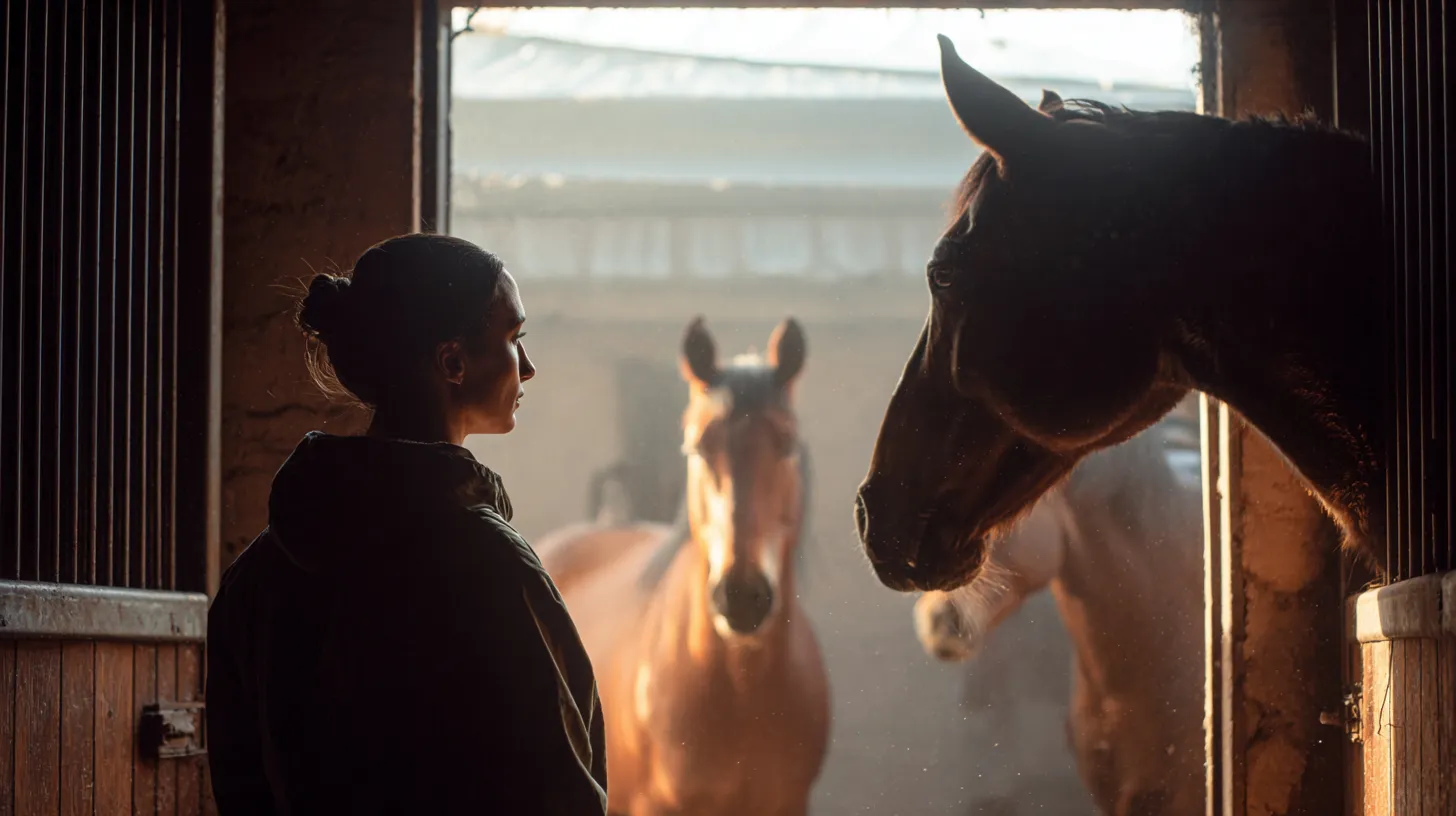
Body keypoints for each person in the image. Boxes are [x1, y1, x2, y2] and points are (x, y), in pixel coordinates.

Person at [206, 234, 608, 814]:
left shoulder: (253, 581)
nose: (529, 366)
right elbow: (561, 793)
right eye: (514, 339)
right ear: (452, 361)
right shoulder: (490, 568)